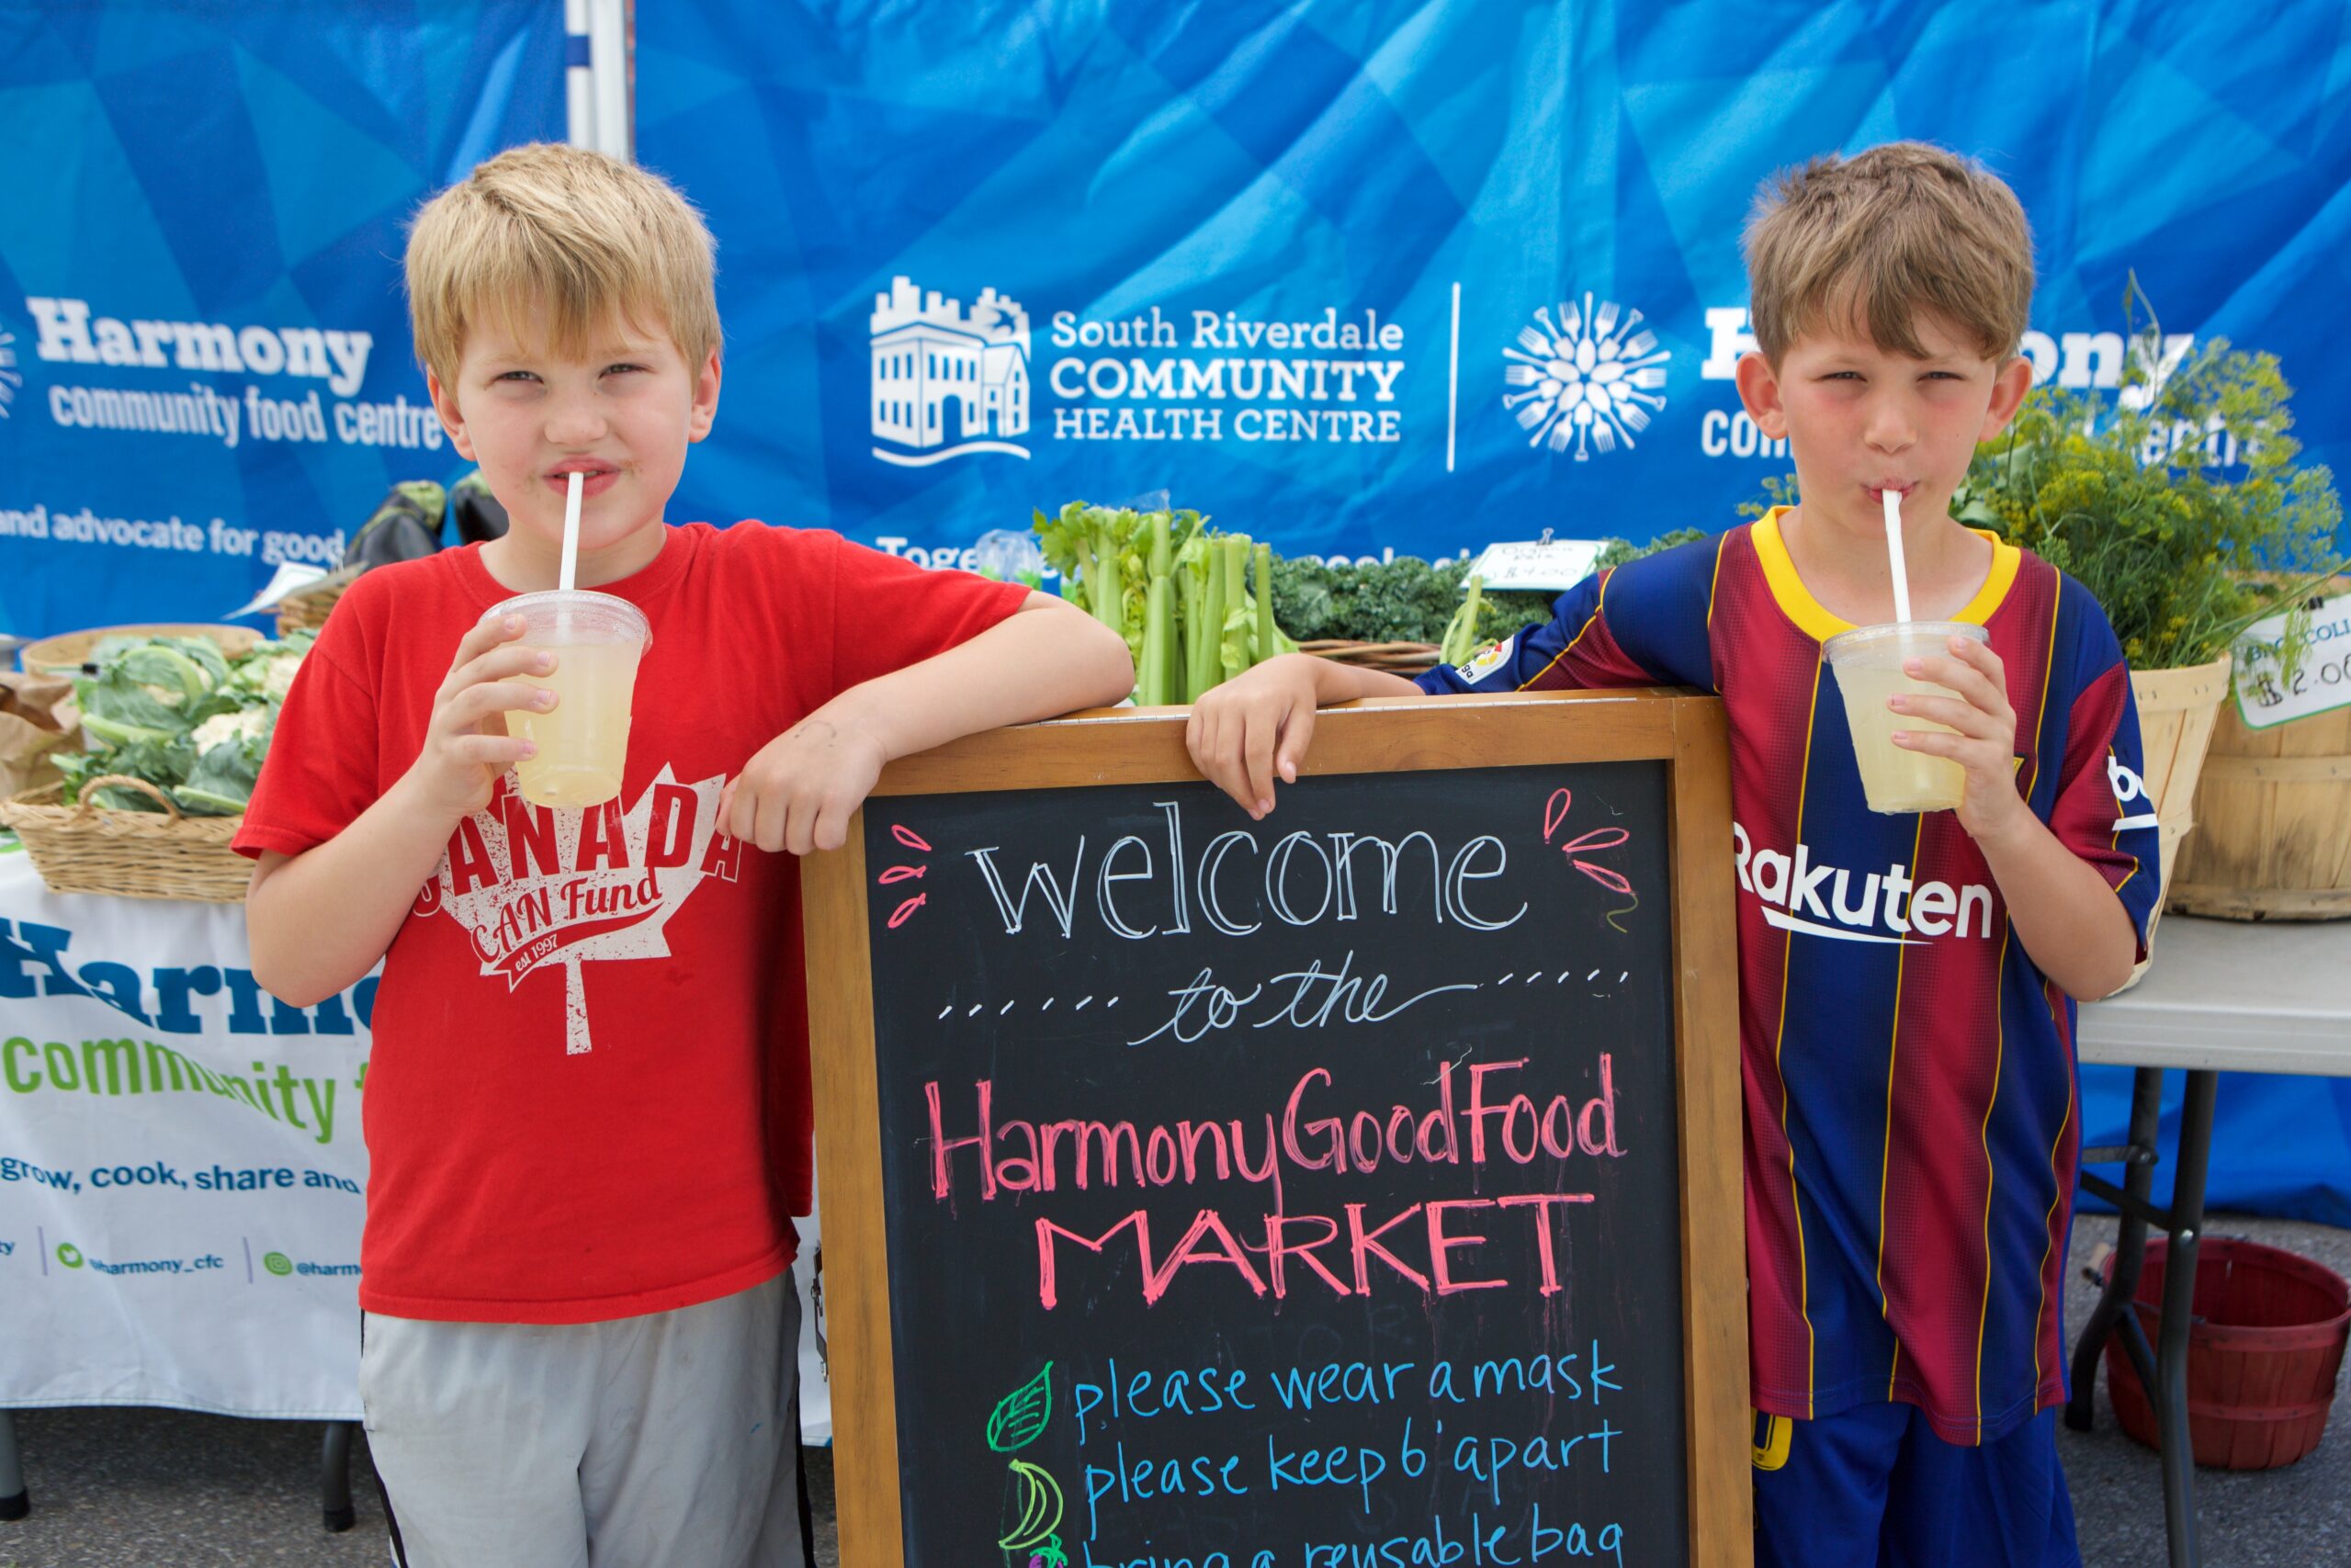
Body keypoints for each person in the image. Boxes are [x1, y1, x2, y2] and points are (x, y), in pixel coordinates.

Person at [1187, 141, 2158, 1567]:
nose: (1891, 429)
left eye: (1940, 380)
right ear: (1765, 391)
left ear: (2004, 396)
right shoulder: (1691, 604)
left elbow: (2107, 957)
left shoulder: (2063, 636)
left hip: (1981, 1248)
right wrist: (1308, 681)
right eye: (1844, 381)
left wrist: (1996, 807)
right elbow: (1481, 720)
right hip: (1774, 1269)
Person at [237, 142, 1132, 1568]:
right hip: (457, 1284)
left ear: (703, 385)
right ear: (446, 407)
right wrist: (431, 788)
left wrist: (860, 721)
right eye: (519, 380)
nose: (574, 424)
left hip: (711, 1271)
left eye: (622, 374)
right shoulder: (387, 628)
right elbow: (290, 960)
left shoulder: (776, 591)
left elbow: (1087, 646)